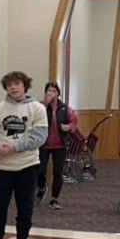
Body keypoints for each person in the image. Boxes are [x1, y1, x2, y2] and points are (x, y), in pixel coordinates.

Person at [0, 72, 47, 239]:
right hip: (1, 166)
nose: (13, 88)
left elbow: (40, 137)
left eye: (17, 84)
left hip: (27, 165)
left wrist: (14, 148)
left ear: (25, 85)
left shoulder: (37, 108)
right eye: (9, 85)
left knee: (25, 206)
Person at [36, 81, 77, 210]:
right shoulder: (40, 106)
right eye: (49, 91)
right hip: (43, 144)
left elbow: (74, 123)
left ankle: (54, 199)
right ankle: (42, 188)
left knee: (58, 172)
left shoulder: (65, 108)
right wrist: (45, 103)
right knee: (40, 170)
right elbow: (35, 117)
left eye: (54, 91)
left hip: (60, 145)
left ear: (58, 93)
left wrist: (68, 127)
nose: (51, 93)